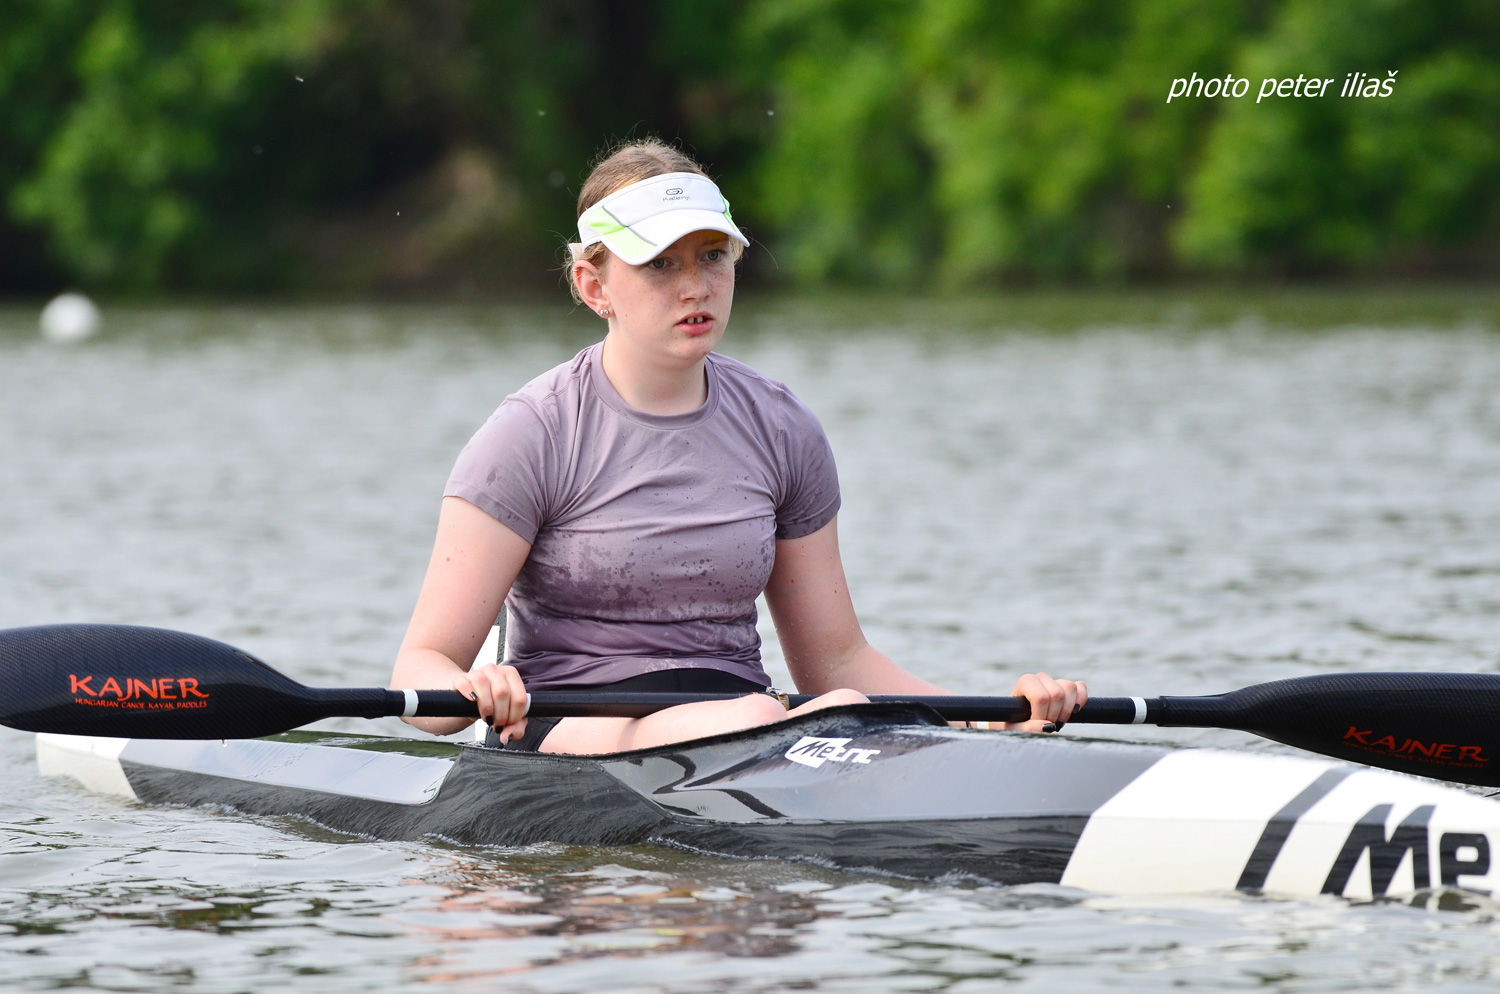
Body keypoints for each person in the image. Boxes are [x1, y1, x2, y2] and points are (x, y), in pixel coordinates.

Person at [390, 139, 1085, 753]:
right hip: (575, 727)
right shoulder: (532, 433)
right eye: (660, 264)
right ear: (593, 284)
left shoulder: (782, 428)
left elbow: (835, 664)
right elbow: (421, 665)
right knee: (798, 717)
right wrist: (473, 689)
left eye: (713, 256)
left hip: (751, 721)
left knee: (839, 710)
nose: (696, 286)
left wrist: (989, 724)